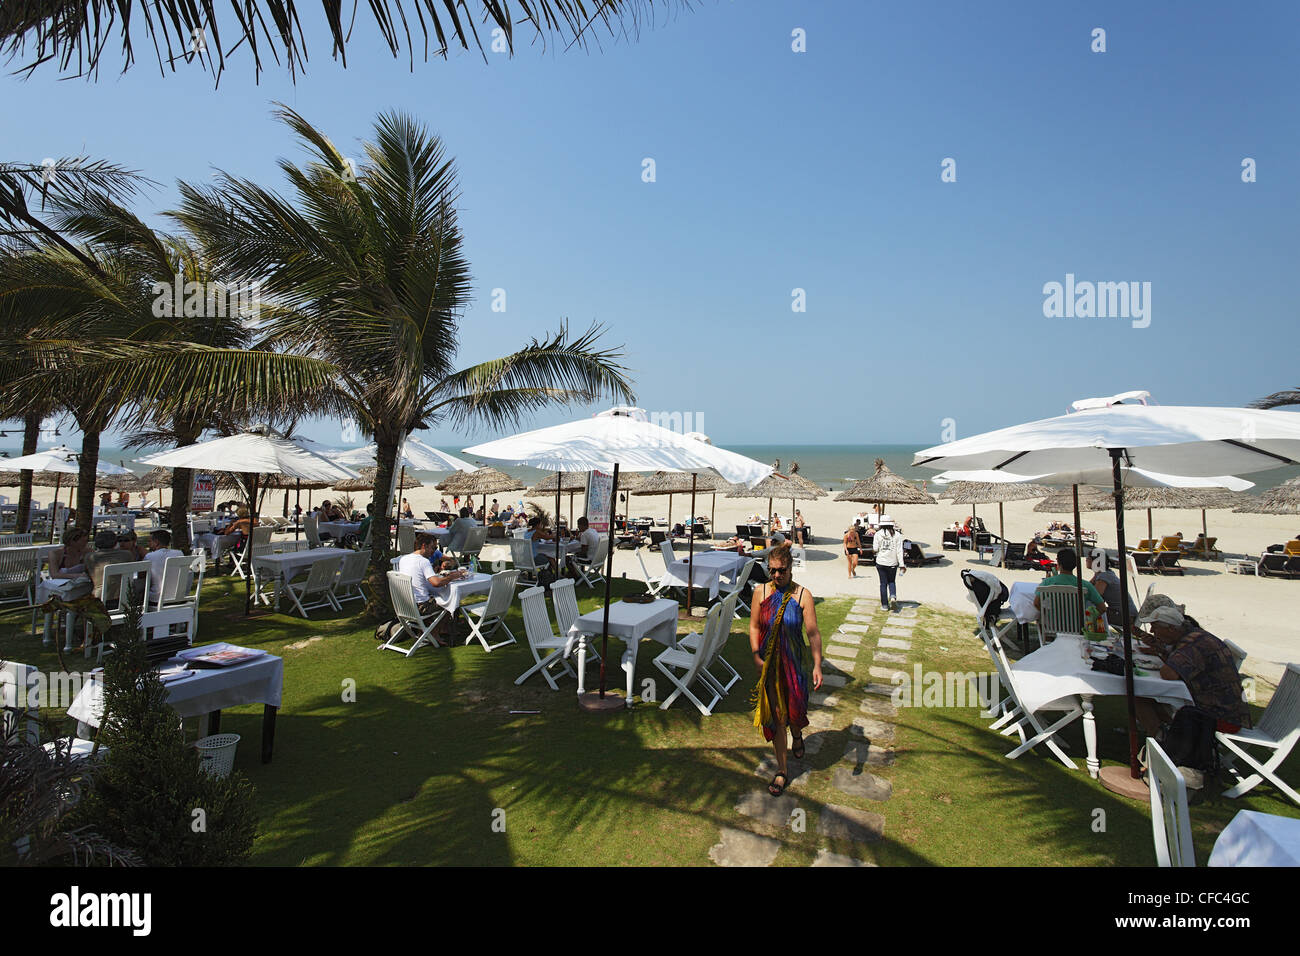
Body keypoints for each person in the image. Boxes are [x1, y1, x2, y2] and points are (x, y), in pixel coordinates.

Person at [749, 543, 823, 797]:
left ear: (791, 568)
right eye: (772, 571)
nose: (776, 576)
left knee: (794, 711)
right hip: (771, 667)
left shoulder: (803, 595)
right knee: (778, 717)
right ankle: (782, 770)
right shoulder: (760, 592)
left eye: (781, 571)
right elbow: (754, 628)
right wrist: (756, 655)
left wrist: (817, 664)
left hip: (794, 664)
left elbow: (812, 633)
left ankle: (798, 734)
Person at [1132, 597, 1247, 737]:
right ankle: (1163, 738)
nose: (1151, 630)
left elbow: (1169, 674)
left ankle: (1165, 744)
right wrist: (1160, 649)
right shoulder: (1193, 635)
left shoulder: (1193, 643)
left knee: (1139, 696)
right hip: (1221, 708)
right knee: (1143, 696)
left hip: (1221, 716)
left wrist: (1163, 652)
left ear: (1170, 629)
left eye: (1155, 627)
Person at [397, 533, 465, 645]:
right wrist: (452, 576)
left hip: (404, 604)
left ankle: (432, 630)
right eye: (433, 548)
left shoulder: (404, 559)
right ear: (424, 545)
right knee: (450, 600)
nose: (434, 551)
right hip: (421, 607)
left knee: (441, 597)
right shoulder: (423, 561)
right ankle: (435, 632)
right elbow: (436, 583)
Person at [1034, 547, 1106, 635]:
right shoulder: (1085, 585)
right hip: (1078, 628)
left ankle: (1050, 641)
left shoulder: (1048, 582)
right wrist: (1088, 617)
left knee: (1041, 621)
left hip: (1053, 626)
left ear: (1059, 563)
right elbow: (1102, 608)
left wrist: (1047, 614)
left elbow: (1036, 603)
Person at [1087, 548, 1137, 631]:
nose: (1086, 560)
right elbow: (1089, 586)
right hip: (1127, 613)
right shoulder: (1103, 573)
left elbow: (1095, 597)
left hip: (1125, 617)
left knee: (1089, 612)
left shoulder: (1104, 577)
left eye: (1089, 558)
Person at [84, 529, 136, 599]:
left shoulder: (90, 557)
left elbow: (88, 575)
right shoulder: (127, 555)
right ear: (115, 543)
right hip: (125, 597)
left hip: (100, 598)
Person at [872, 519, 906, 612]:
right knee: (891, 581)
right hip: (892, 562)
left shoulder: (878, 534)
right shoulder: (897, 535)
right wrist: (902, 564)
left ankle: (884, 605)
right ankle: (893, 596)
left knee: (883, 583)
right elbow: (899, 551)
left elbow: (875, 548)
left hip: (881, 561)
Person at [143, 529, 184, 604]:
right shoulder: (179, 553)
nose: (148, 544)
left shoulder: (149, 556)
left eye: (149, 541)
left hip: (157, 599)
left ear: (156, 542)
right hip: (178, 597)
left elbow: (142, 576)